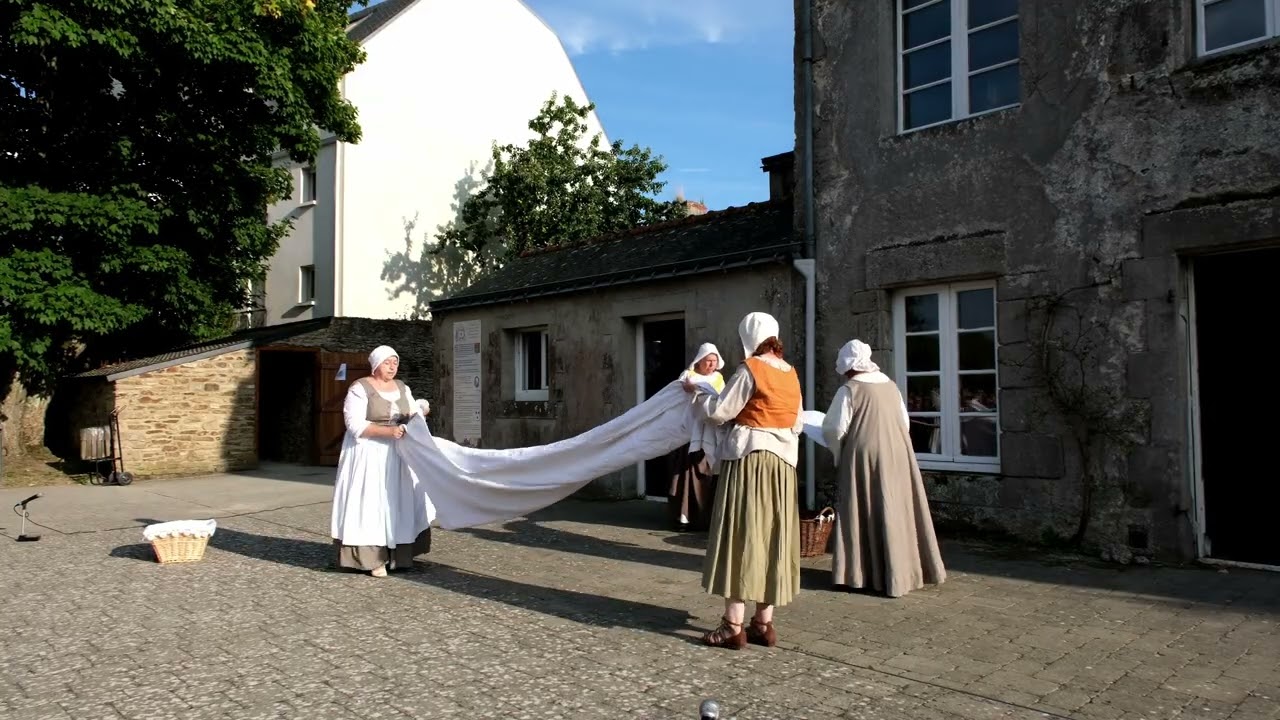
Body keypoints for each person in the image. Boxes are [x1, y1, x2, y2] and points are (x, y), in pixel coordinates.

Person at [684, 313, 803, 649]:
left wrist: (699, 393)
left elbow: (720, 411)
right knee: (772, 537)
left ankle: (732, 626)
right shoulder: (791, 373)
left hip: (750, 461)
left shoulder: (750, 369)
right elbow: (795, 423)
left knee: (740, 535)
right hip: (782, 466)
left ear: (748, 338)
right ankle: (763, 624)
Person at [821, 339, 946, 598]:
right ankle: (902, 572)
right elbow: (904, 422)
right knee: (896, 509)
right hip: (898, 454)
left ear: (848, 367)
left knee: (863, 508)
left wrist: (837, 450)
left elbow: (834, 428)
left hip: (865, 456)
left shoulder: (849, 389)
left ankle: (861, 573)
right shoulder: (891, 386)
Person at [330, 345, 435, 577]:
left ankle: (398, 554)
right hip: (369, 454)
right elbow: (354, 424)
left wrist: (420, 409)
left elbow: (410, 412)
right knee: (372, 503)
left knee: (397, 501)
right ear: (376, 364)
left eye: (395, 362)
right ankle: (372, 558)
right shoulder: (360, 388)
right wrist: (388, 432)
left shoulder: (401, 387)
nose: (392, 366)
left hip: (398, 455)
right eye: (387, 362)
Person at [667, 343, 725, 531]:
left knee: (708, 476)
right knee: (685, 476)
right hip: (689, 435)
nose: (711, 365)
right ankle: (684, 517)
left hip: (710, 433)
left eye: (714, 361)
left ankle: (705, 518)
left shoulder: (719, 378)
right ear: (699, 361)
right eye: (708, 361)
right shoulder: (688, 377)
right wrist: (688, 389)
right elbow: (679, 397)